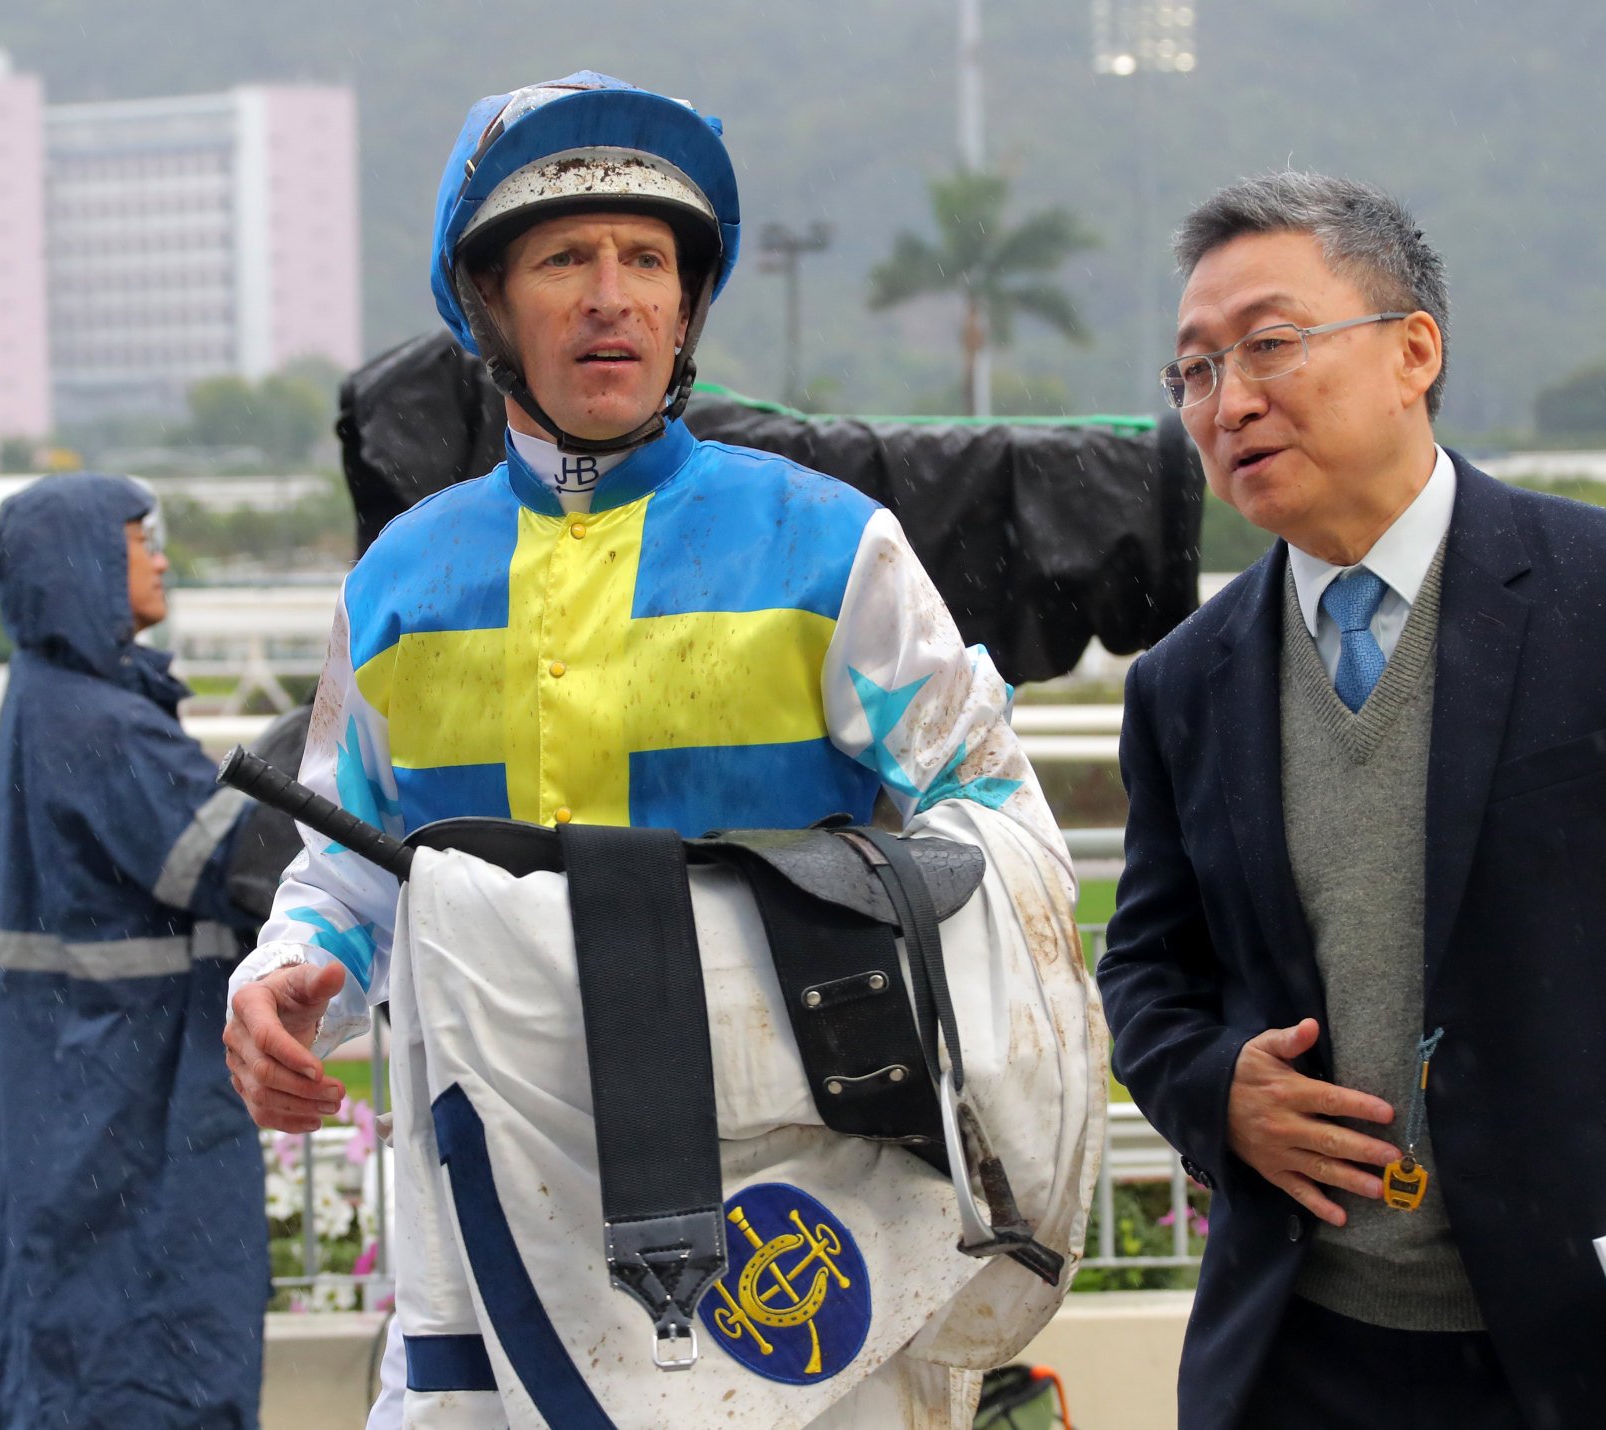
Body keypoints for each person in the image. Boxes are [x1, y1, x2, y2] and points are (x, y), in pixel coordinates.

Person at [223, 72, 1083, 1427]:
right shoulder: (395, 583)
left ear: (688, 308)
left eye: (647, 260)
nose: (610, 292)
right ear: (493, 309)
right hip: (490, 1204)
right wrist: (291, 974)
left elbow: (1002, 832)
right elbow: (346, 864)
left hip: (802, 1207)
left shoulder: (832, 543)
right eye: (565, 258)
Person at [1096, 170, 1606, 1429]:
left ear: (1410, 352)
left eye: (1268, 345)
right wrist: (1211, 1083)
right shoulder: (1184, 680)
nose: (1230, 401)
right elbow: (1145, 966)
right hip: (1306, 1352)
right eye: (1194, 372)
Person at [0, 474, 268, 1429]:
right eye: (143, 541)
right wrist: (333, 741)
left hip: (74, 1081)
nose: (162, 560)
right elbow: (230, 859)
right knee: (149, 1333)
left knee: (64, 1330)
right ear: (87, 563)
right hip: (129, 1091)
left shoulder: (49, 695)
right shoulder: (100, 725)